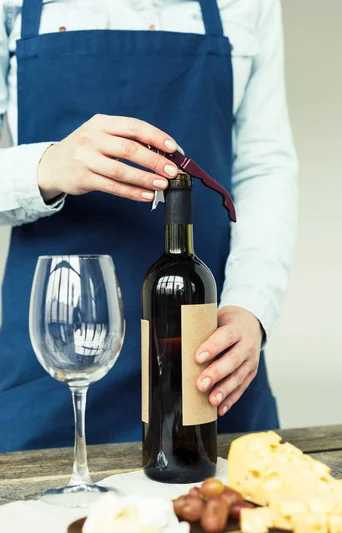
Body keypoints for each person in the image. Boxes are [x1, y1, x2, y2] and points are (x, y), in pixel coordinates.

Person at [0, 0, 298, 452]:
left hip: (205, 348)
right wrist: (46, 167)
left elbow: (265, 167)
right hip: (54, 361)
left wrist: (252, 307)